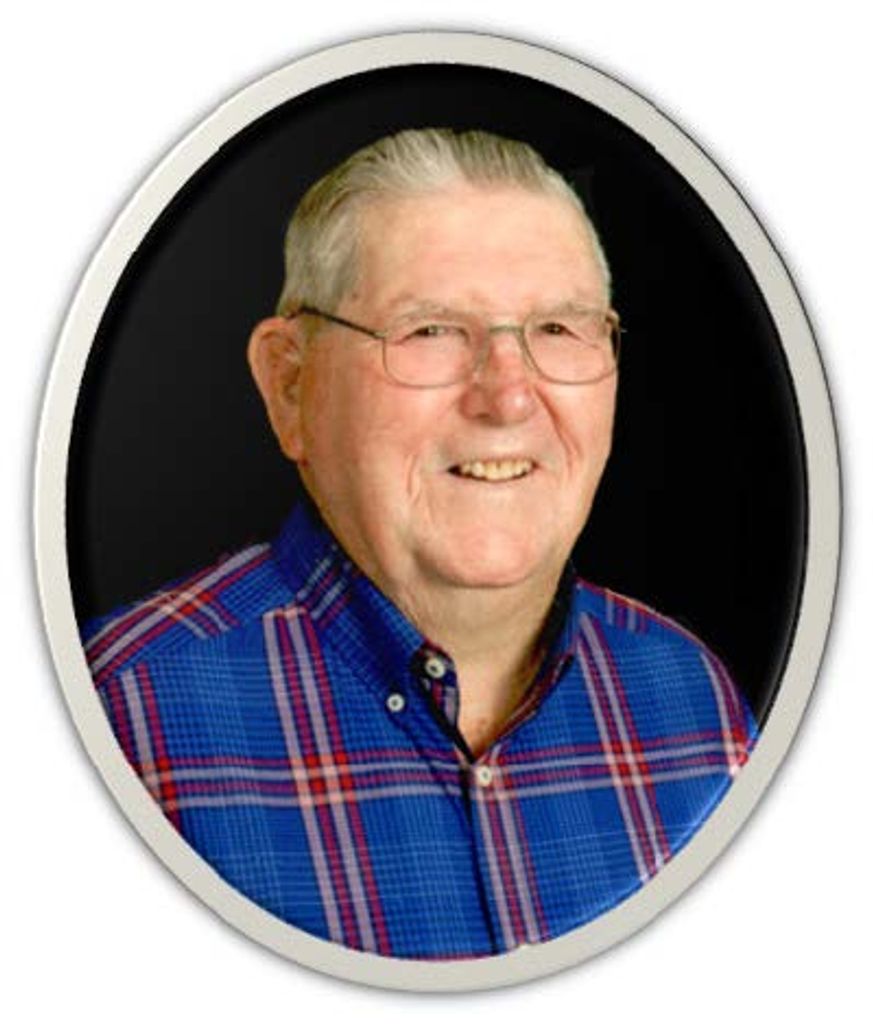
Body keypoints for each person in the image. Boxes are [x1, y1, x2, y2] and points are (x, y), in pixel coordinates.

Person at [82, 128, 757, 960]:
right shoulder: (117, 723)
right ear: (290, 385)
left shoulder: (694, 705)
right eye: (431, 331)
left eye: (556, 327)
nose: (508, 397)